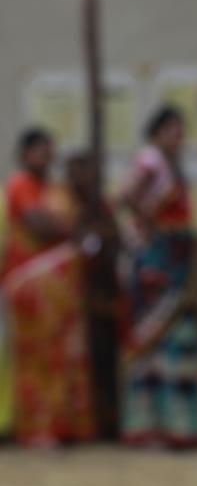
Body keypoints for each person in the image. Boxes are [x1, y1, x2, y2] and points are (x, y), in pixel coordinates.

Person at [119, 106, 197, 448]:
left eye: (181, 130)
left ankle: (178, 427)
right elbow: (126, 196)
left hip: (174, 263)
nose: (178, 136)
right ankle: (148, 426)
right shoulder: (150, 160)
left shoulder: (172, 164)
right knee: (152, 339)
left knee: (176, 338)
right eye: (171, 129)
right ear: (156, 133)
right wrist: (152, 227)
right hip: (156, 264)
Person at [1, 128, 94, 446]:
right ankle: (37, 428)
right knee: (37, 358)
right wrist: (72, 230)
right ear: (24, 155)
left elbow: (77, 222)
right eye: (39, 150)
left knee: (64, 356)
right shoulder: (19, 185)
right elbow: (39, 224)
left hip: (62, 291)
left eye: (49, 150)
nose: (45, 156)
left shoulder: (57, 189)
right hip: (31, 285)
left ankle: (64, 426)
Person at [66, 150, 122, 441]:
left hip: (100, 296)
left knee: (104, 360)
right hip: (70, 297)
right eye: (74, 173)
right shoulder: (64, 204)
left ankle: (107, 421)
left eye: (85, 171)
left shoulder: (102, 207)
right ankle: (77, 421)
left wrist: (101, 236)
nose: (80, 178)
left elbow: (115, 241)